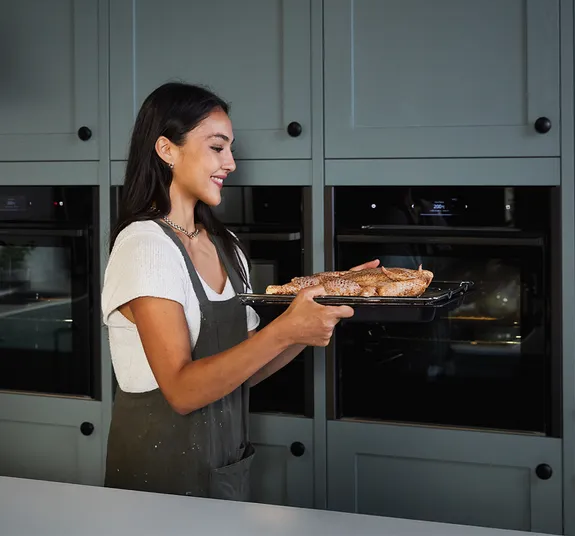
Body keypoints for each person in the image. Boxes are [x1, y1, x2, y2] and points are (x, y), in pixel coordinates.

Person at [101, 81, 378, 501]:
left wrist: (315, 312)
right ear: (166, 149)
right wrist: (285, 330)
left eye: (230, 149)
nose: (230, 163)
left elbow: (246, 367)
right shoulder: (145, 246)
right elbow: (181, 391)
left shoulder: (225, 245)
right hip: (156, 484)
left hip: (222, 473)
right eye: (217, 147)